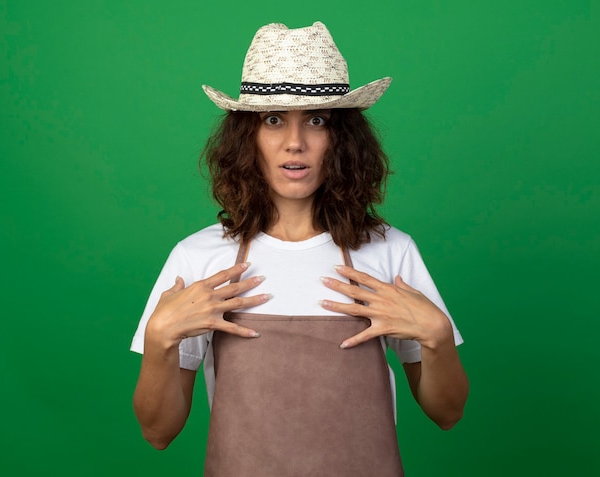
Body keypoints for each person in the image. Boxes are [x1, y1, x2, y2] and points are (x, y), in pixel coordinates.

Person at [131, 21, 468, 477]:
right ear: (246, 137)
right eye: (273, 120)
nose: (295, 142)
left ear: (343, 139)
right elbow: (158, 432)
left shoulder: (390, 251)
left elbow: (446, 413)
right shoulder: (198, 258)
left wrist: (438, 335)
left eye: (317, 120)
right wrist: (158, 340)